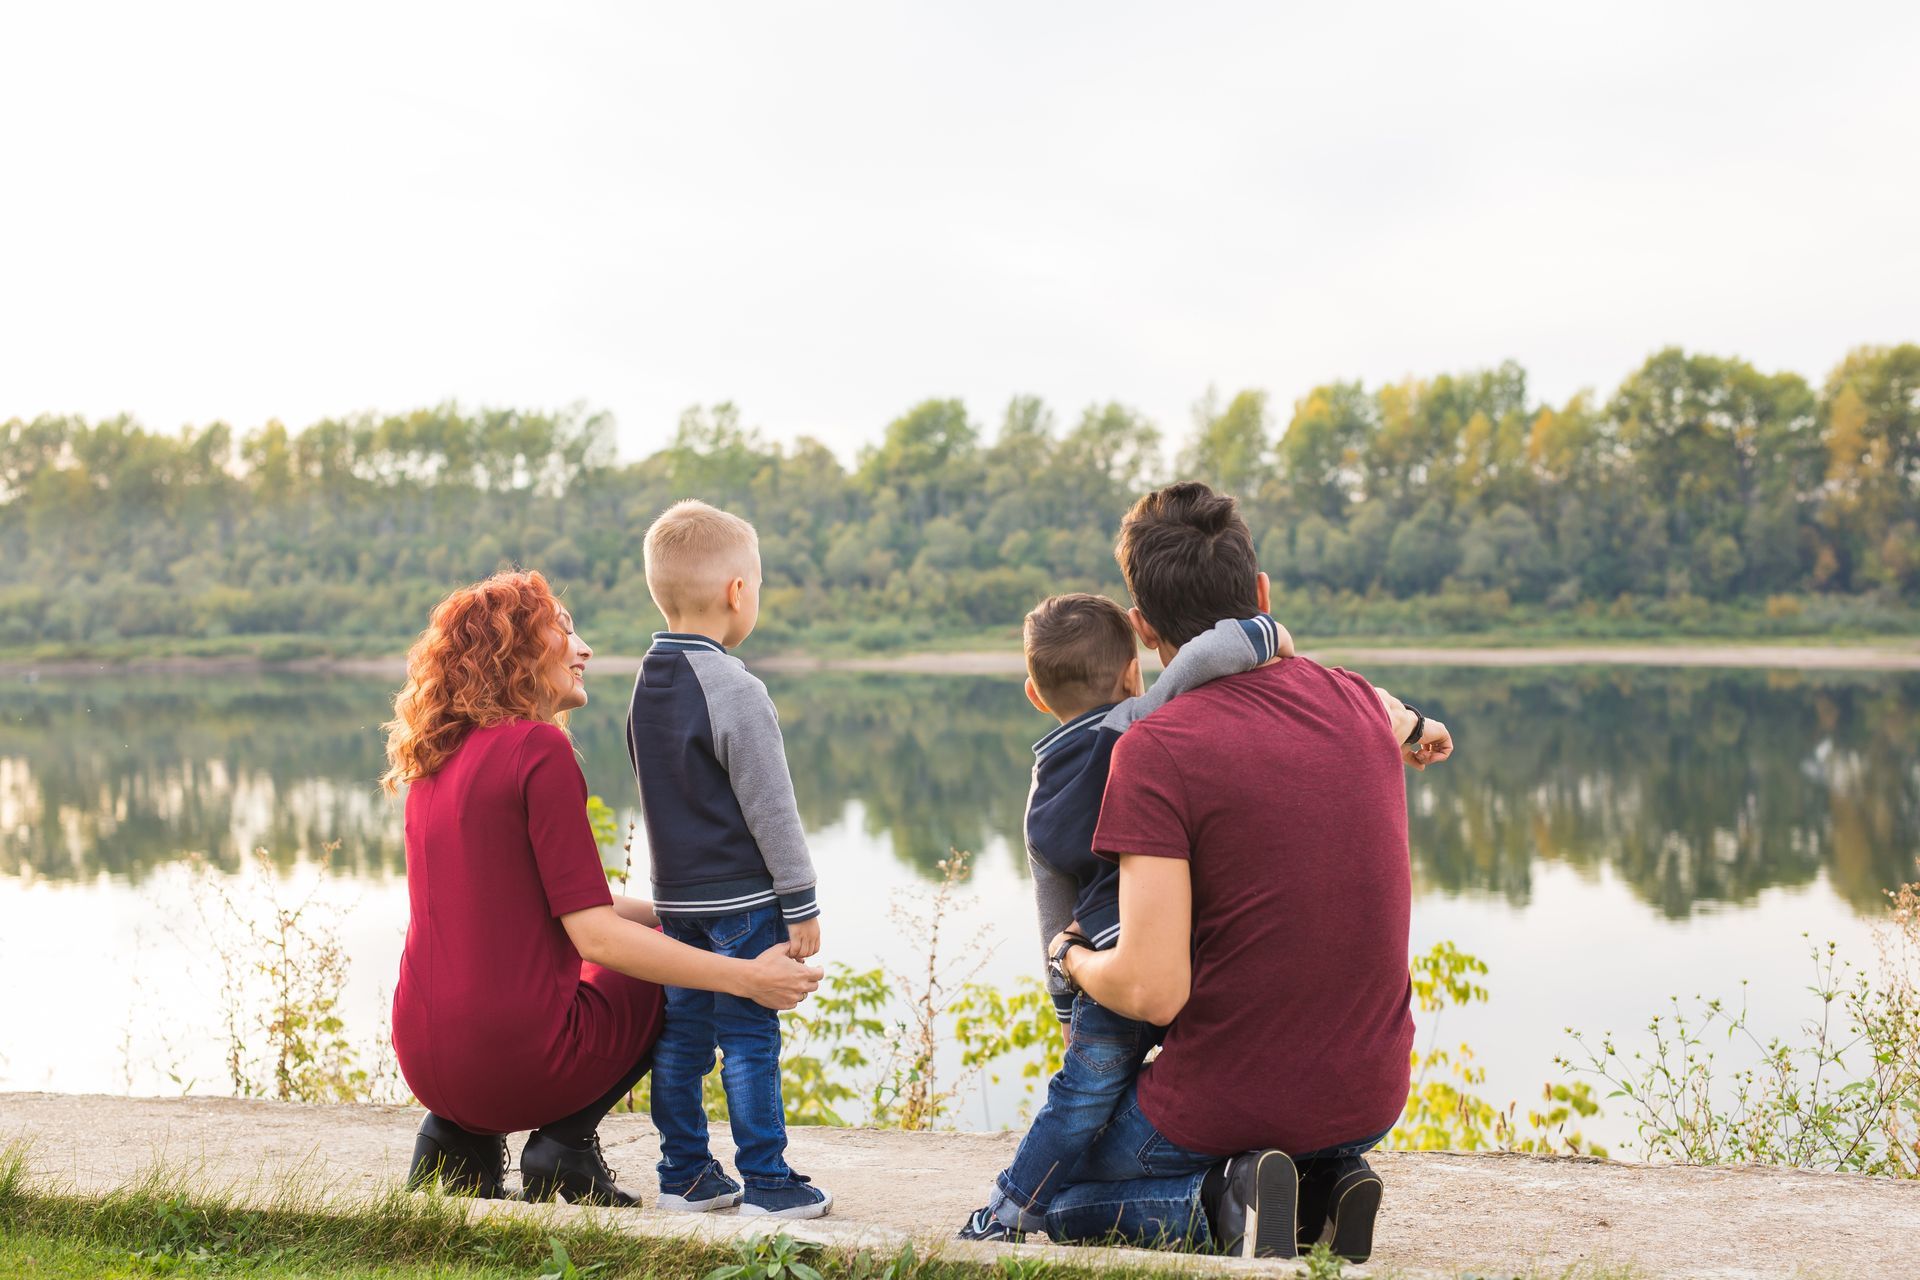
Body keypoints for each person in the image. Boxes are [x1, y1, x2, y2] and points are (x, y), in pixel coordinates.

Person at [1043, 483, 1454, 1260]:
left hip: (1225, 1103)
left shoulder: (1153, 749)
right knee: (1276, 1112)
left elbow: (1152, 988)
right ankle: (1326, 1183)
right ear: (1262, 596)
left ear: (1143, 629)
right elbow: (1392, 711)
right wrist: (1421, 727)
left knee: (1058, 1186)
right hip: (1373, 1094)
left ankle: (1223, 1203)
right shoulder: (1358, 704)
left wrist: (1070, 955)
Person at [384, 570, 821, 1206]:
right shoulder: (536, 749)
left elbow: (556, 903)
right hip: (513, 1061)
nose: (584, 648)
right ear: (516, 651)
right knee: (664, 970)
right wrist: (743, 975)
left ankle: (455, 1142)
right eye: (563, 630)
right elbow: (594, 935)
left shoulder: (435, 755)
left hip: (425, 1058)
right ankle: (564, 1143)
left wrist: (677, 916)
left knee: (664, 935)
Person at [957, 593, 1292, 1241]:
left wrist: (1065, 1008)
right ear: (1133, 673)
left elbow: (1051, 913)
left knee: (1079, 1102)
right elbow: (1200, 660)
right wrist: (1264, 630)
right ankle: (1258, 1185)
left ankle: (1007, 1213)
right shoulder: (1136, 723)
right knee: (1188, 1084)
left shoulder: (1040, 788)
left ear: (1034, 693)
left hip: (1105, 976)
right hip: (1178, 953)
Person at [626, 500, 831, 1220]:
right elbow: (772, 808)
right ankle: (768, 1183)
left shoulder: (645, 682)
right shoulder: (736, 688)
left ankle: (683, 1175)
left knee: (681, 1037)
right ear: (737, 592)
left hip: (678, 898)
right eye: (760, 586)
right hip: (744, 901)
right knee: (749, 1038)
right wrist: (800, 904)